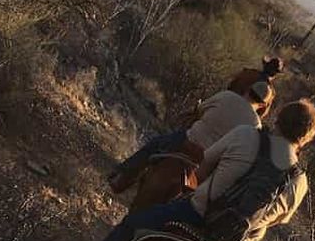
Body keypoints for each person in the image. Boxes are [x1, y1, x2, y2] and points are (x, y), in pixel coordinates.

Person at [50, 99, 315, 241]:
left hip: (194, 214)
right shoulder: (300, 181)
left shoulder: (246, 134)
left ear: (278, 119)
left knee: (131, 227)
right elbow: (277, 220)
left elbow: (201, 169)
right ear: (306, 139)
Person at [108, 81, 275, 193]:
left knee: (154, 145)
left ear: (248, 89)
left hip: (187, 141)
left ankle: (122, 175)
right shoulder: (255, 125)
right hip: (205, 165)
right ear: (262, 105)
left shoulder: (226, 96)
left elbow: (200, 110)